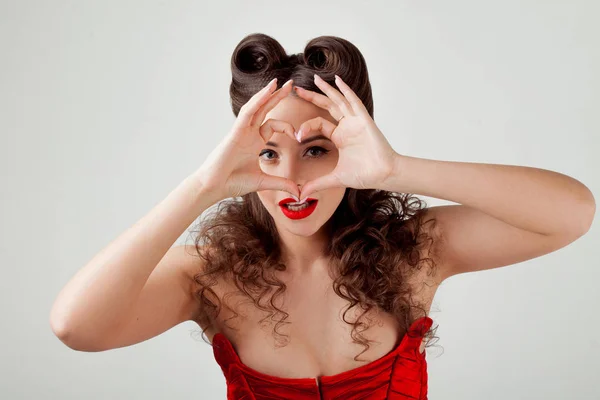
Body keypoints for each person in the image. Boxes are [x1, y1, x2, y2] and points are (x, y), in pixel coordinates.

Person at [50, 33, 595, 400]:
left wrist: (397, 168)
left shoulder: (415, 252)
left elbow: (571, 214)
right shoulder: (209, 275)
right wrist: (201, 187)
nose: (292, 179)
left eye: (316, 149)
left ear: (353, 149)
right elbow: (75, 327)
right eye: (268, 152)